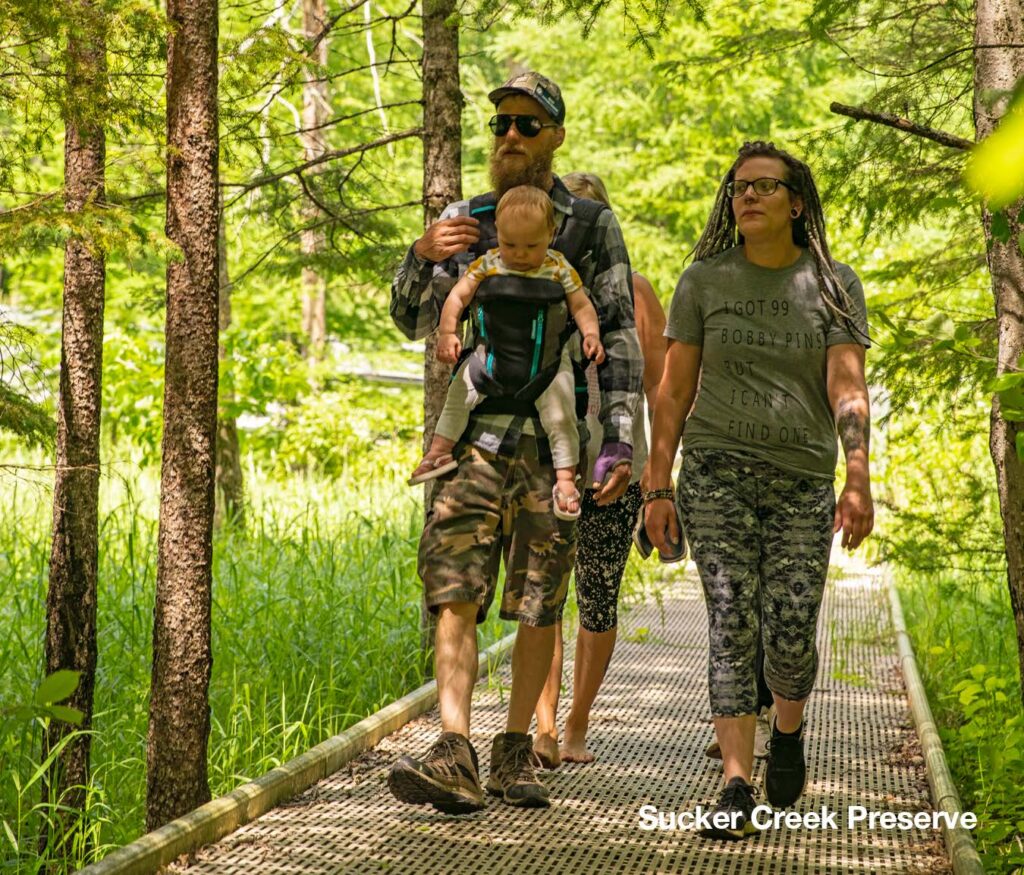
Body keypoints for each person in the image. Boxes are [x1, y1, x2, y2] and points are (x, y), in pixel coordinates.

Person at [386, 72, 643, 813]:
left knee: (539, 601)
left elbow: (619, 334)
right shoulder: (464, 220)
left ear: (556, 136)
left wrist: (618, 443)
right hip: (470, 446)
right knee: (453, 591)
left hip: (551, 448)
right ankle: (454, 749)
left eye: (528, 125)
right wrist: (420, 250)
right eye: (501, 122)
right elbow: (413, 319)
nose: (509, 136)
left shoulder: (589, 225)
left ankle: (514, 754)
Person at [644, 140, 873, 840]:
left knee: (792, 628)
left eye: (765, 187)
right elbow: (674, 389)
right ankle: (736, 782)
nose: (747, 196)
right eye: (739, 187)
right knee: (731, 616)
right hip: (715, 470)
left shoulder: (834, 283)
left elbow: (846, 382)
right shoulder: (703, 281)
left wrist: (858, 476)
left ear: (796, 202)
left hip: (803, 475)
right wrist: (657, 483)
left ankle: (789, 728)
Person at [530, 171, 668, 767]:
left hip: (616, 470)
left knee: (598, 596)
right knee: (543, 598)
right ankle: (541, 726)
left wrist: (659, 470)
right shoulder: (537, 281)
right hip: (546, 464)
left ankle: (578, 720)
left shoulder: (636, 293)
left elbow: (663, 384)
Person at [408, 185, 605, 521]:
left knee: (561, 415)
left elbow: (581, 304)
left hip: (547, 365)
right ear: (497, 232)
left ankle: (565, 480)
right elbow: (458, 298)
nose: (520, 254)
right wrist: (448, 332)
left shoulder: (557, 267)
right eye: (510, 244)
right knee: (459, 393)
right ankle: (439, 452)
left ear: (551, 234)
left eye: (532, 245)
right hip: (489, 359)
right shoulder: (488, 264)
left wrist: (591, 334)